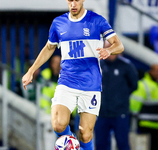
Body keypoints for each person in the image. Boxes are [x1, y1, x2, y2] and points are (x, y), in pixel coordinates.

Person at [22, 0, 124, 149]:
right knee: (58, 124)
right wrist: (31, 71)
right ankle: (71, 145)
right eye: (70, 0)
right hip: (67, 81)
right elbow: (49, 48)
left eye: (76, 0)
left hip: (91, 83)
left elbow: (119, 45)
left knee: (85, 134)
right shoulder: (59, 23)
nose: (73, 3)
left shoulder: (96, 20)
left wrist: (108, 50)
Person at [94, 41, 138, 150]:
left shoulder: (126, 65)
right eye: (105, 47)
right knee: (100, 144)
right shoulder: (98, 65)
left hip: (120, 113)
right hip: (102, 113)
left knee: (123, 144)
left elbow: (134, 85)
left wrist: (119, 97)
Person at [130, 64, 158, 150]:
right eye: (156, 71)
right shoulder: (143, 84)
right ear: (151, 71)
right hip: (145, 123)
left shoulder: (155, 84)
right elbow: (134, 104)